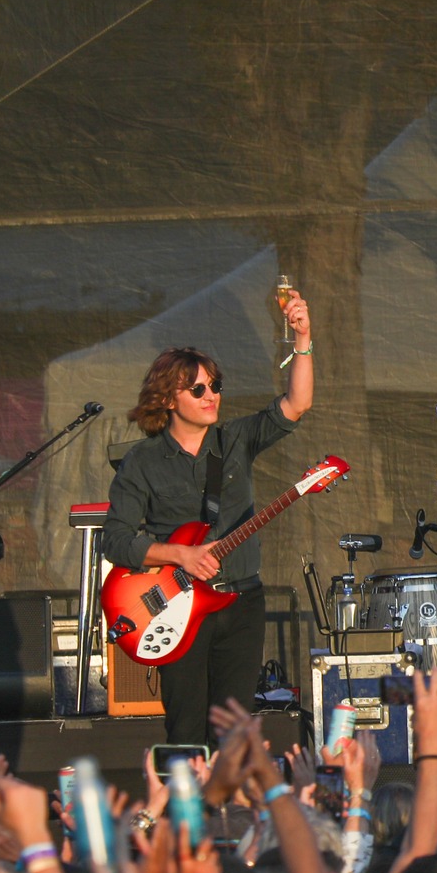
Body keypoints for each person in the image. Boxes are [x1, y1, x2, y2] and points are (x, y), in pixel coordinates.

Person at [102, 292, 314, 743]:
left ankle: (228, 812)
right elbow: (116, 539)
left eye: (215, 386)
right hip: (177, 608)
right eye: (198, 389)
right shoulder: (143, 461)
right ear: (168, 398)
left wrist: (303, 339)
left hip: (240, 602)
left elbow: (295, 405)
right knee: (186, 730)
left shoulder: (233, 439)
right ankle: (185, 810)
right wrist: (178, 553)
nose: (211, 395)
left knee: (235, 734)